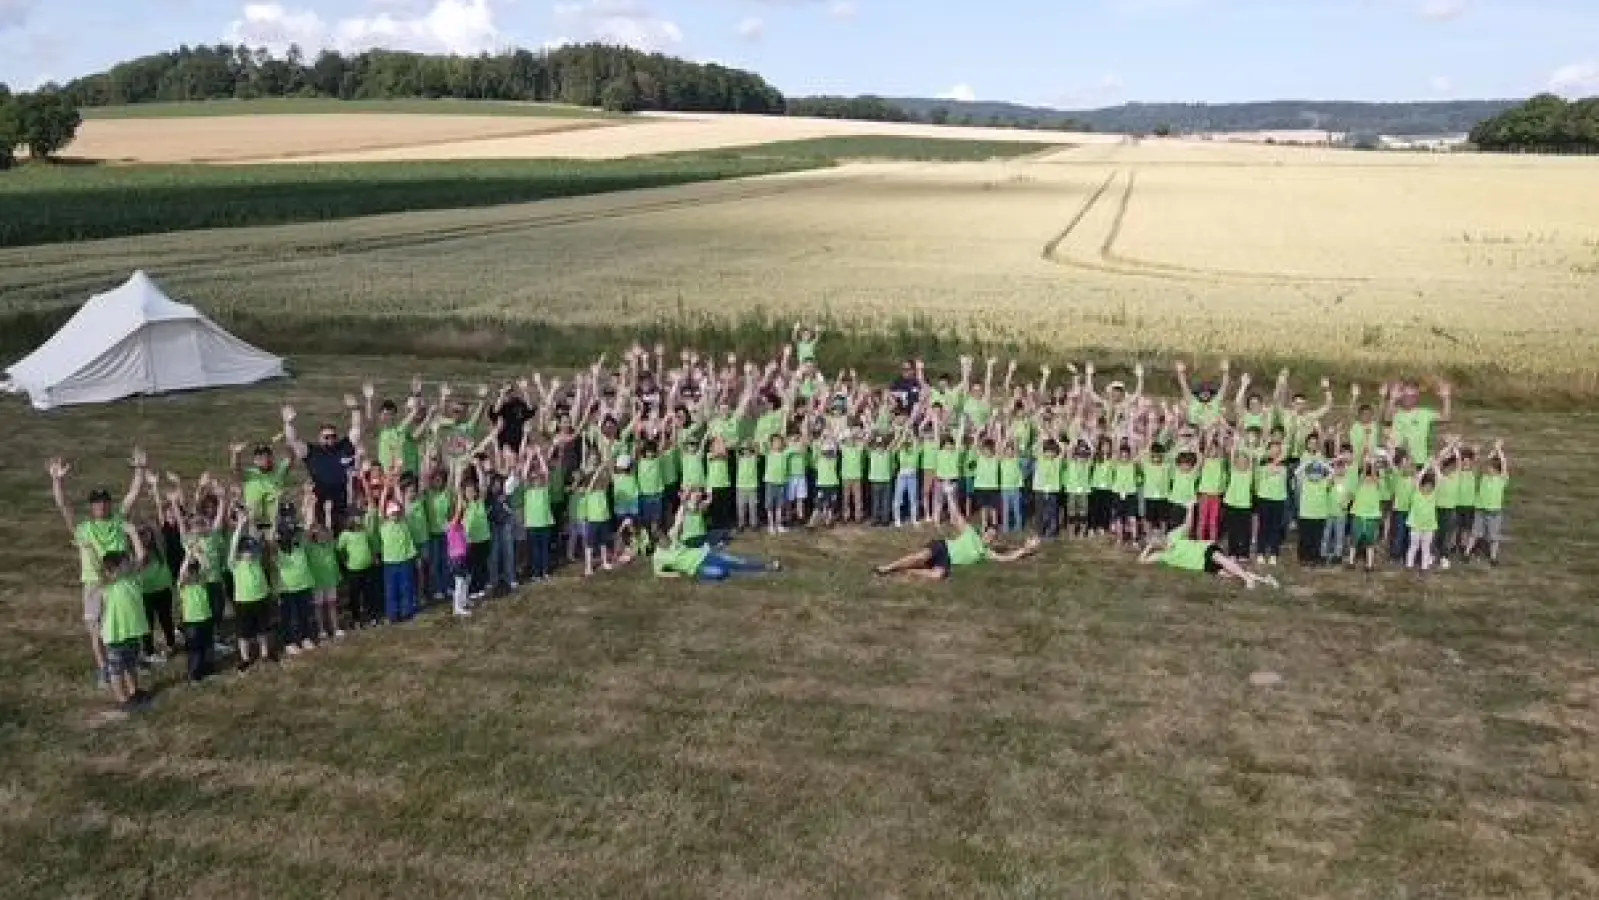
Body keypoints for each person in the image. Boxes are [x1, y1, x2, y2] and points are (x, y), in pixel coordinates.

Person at [49, 453, 145, 688]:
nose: (101, 505)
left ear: (109, 504)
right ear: (91, 506)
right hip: (95, 583)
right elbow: (64, 506)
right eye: (96, 502)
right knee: (96, 629)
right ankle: (104, 668)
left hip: (121, 582)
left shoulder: (118, 520)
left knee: (122, 627)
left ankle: (126, 663)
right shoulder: (84, 528)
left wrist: (140, 469)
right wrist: (57, 480)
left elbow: (134, 493)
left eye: (104, 501)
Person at [873, 484, 1040, 580]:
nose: (989, 537)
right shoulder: (971, 533)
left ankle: (906, 571)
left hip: (947, 560)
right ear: (983, 533)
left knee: (939, 575)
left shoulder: (985, 552)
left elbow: (1007, 558)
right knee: (921, 557)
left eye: (993, 537)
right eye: (988, 534)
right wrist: (950, 495)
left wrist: (1027, 550)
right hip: (942, 547)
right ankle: (887, 568)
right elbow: (956, 516)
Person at [652, 504, 782, 581]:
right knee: (722, 573)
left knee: (736, 561)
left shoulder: (672, 536)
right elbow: (658, 572)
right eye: (663, 537)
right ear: (658, 542)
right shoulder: (658, 557)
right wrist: (673, 574)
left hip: (704, 555)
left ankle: (766, 566)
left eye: (664, 535)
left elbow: (679, 523)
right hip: (695, 568)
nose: (666, 538)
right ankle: (751, 572)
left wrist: (683, 506)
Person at [283, 400, 360, 522]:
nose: (330, 439)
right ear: (319, 438)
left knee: (341, 531)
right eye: (326, 437)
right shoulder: (312, 451)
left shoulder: (343, 447)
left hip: (341, 500)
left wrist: (355, 409)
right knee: (319, 531)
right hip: (319, 499)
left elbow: (356, 429)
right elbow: (294, 440)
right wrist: (288, 423)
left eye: (333, 436)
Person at [1138, 524, 1279, 590]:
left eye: (1158, 536)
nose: (1158, 539)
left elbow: (1187, 524)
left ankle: (1248, 579)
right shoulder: (1161, 555)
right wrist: (1148, 547)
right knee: (1231, 573)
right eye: (1154, 540)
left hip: (1205, 549)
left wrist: (1190, 507)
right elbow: (1141, 561)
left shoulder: (1172, 536)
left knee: (1223, 561)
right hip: (1202, 565)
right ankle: (1265, 580)